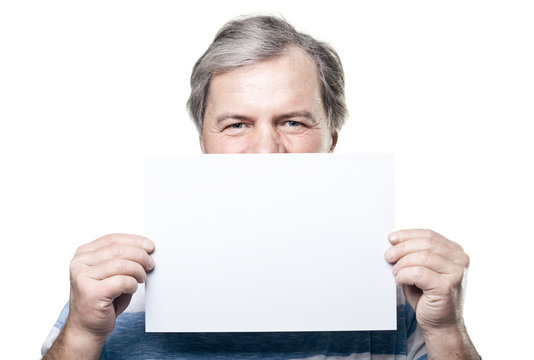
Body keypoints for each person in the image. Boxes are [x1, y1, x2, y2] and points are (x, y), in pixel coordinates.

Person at [42, 15, 479, 359]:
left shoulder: (401, 295)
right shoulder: (116, 293)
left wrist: (446, 330)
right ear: (204, 144)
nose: (266, 150)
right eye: (236, 125)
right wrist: (82, 333)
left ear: (332, 141)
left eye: (293, 122)